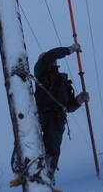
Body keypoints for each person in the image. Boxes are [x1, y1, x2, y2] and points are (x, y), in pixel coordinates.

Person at [33, 43, 89, 184]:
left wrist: (79, 100)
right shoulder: (40, 71)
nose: (52, 59)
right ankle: (22, 165)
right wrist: (69, 50)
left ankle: (48, 175)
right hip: (42, 113)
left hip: (58, 118)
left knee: (53, 148)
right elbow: (51, 54)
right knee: (30, 138)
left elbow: (69, 106)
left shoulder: (63, 81)